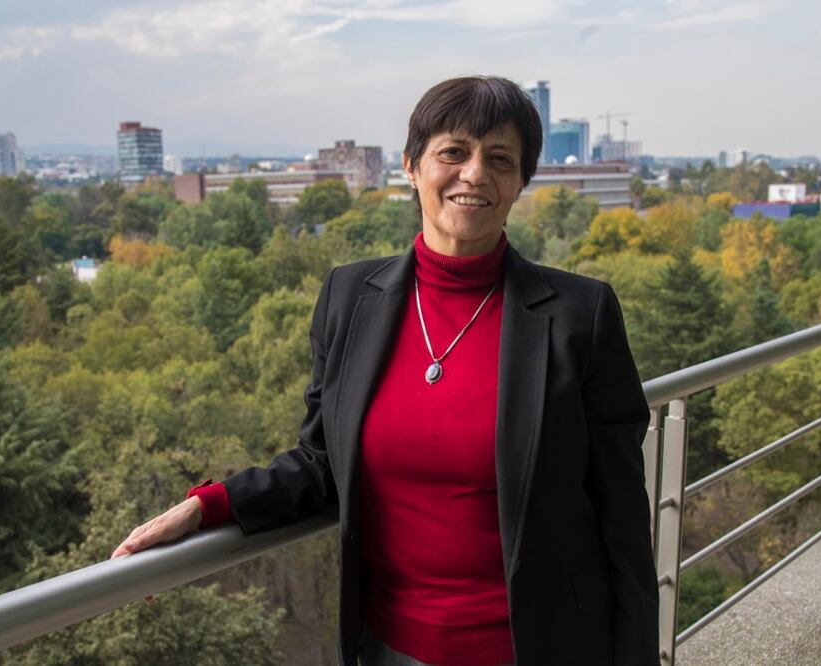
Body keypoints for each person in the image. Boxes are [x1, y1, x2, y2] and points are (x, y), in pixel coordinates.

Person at [112, 75, 658, 665]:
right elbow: (323, 461)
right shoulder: (350, 297)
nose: (475, 173)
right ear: (411, 166)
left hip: (539, 648)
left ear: (519, 182)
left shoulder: (582, 315)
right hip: (389, 647)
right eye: (453, 152)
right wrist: (208, 506)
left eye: (500, 159)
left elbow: (622, 518)